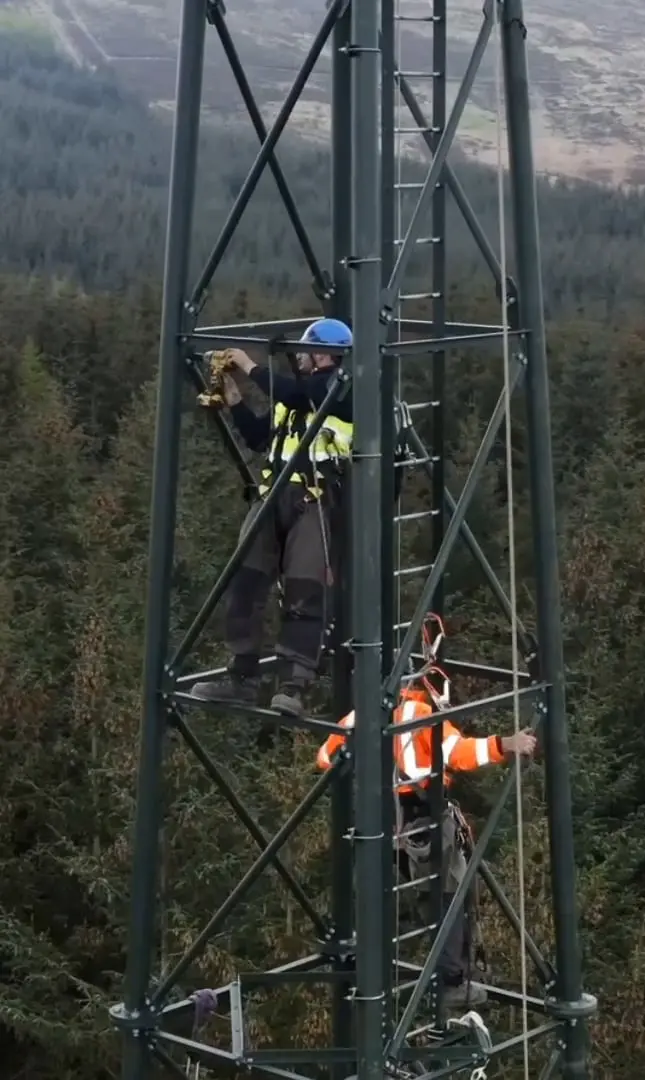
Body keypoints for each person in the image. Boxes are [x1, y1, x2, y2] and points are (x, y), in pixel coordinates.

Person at [316, 675, 538, 1010]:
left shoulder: (356, 717)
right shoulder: (419, 714)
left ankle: (365, 964)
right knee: (446, 899)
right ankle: (450, 982)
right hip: (422, 820)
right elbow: (460, 753)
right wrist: (505, 744)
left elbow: (325, 758)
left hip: (376, 822)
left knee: (379, 897)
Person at [190, 317, 354, 718]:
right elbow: (259, 437)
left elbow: (303, 395)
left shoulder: (341, 389)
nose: (299, 354)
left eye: (306, 348)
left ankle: (294, 686)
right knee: (244, 583)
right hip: (273, 498)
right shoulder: (297, 393)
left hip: (316, 503)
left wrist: (249, 366)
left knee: (304, 592)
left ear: (324, 354)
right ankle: (241, 676)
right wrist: (234, 399)